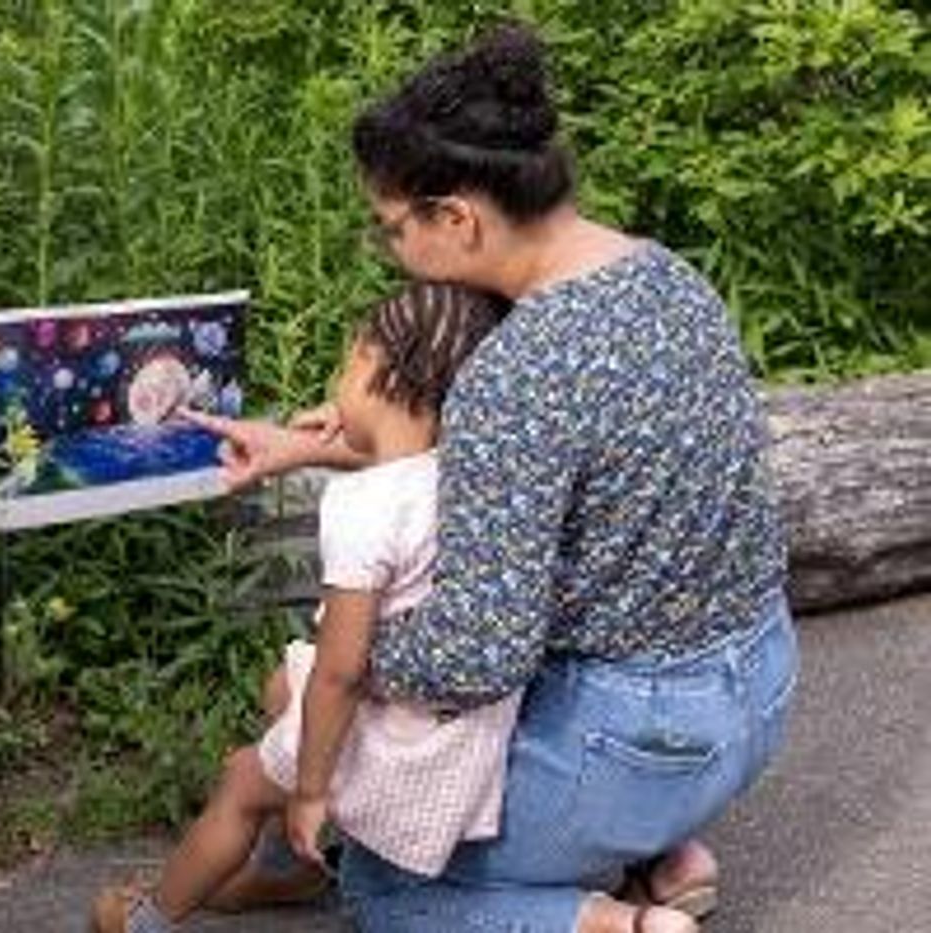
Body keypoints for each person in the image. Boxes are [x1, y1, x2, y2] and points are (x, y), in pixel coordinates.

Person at [180, 21, 797, 933]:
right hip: (759, 693)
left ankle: (613, 912)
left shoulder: (519, 370)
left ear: (457, 217)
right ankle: (655, 852)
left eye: (393, 227)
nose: (390, 251)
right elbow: (526, 465)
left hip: (636, 737)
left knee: (389, 887)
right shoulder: (664, 276)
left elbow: (476, 659)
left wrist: (331, 674)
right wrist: (302, 446)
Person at [91, 282, 516, 933]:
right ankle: (298, 870)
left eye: (349, 364)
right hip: (456, 742)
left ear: (380, 372)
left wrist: (312, 789)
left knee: (241, 781)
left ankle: (154, 916)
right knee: (279, 684)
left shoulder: (362, 506)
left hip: (391, 741)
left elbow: (341, 671)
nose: (339, 381)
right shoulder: (472, 473)